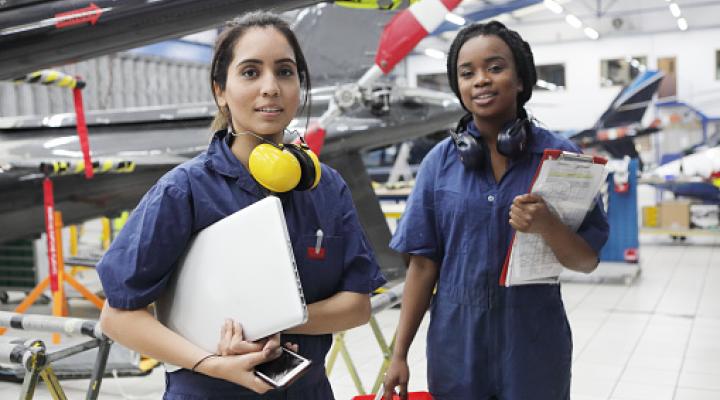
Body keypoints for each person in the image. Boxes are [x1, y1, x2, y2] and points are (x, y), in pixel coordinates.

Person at [96, 12, 386, 400]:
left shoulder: (325, 187)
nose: (270, 87)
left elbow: (357, 306)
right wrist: (211, 362)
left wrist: (279, 323)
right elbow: (117, 316)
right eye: (250, 72)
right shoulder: (184, 191)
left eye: (285, 72)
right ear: (221, 90)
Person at [382, 21, 609, 400]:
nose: (481, 80)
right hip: (457, 350)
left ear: (520, 80)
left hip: (534, 350)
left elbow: (586, 261)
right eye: (467, 73)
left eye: (495, 67)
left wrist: (548, 225)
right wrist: (398, 354)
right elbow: (422, 266)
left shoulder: (563, 160)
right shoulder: (439, 164)